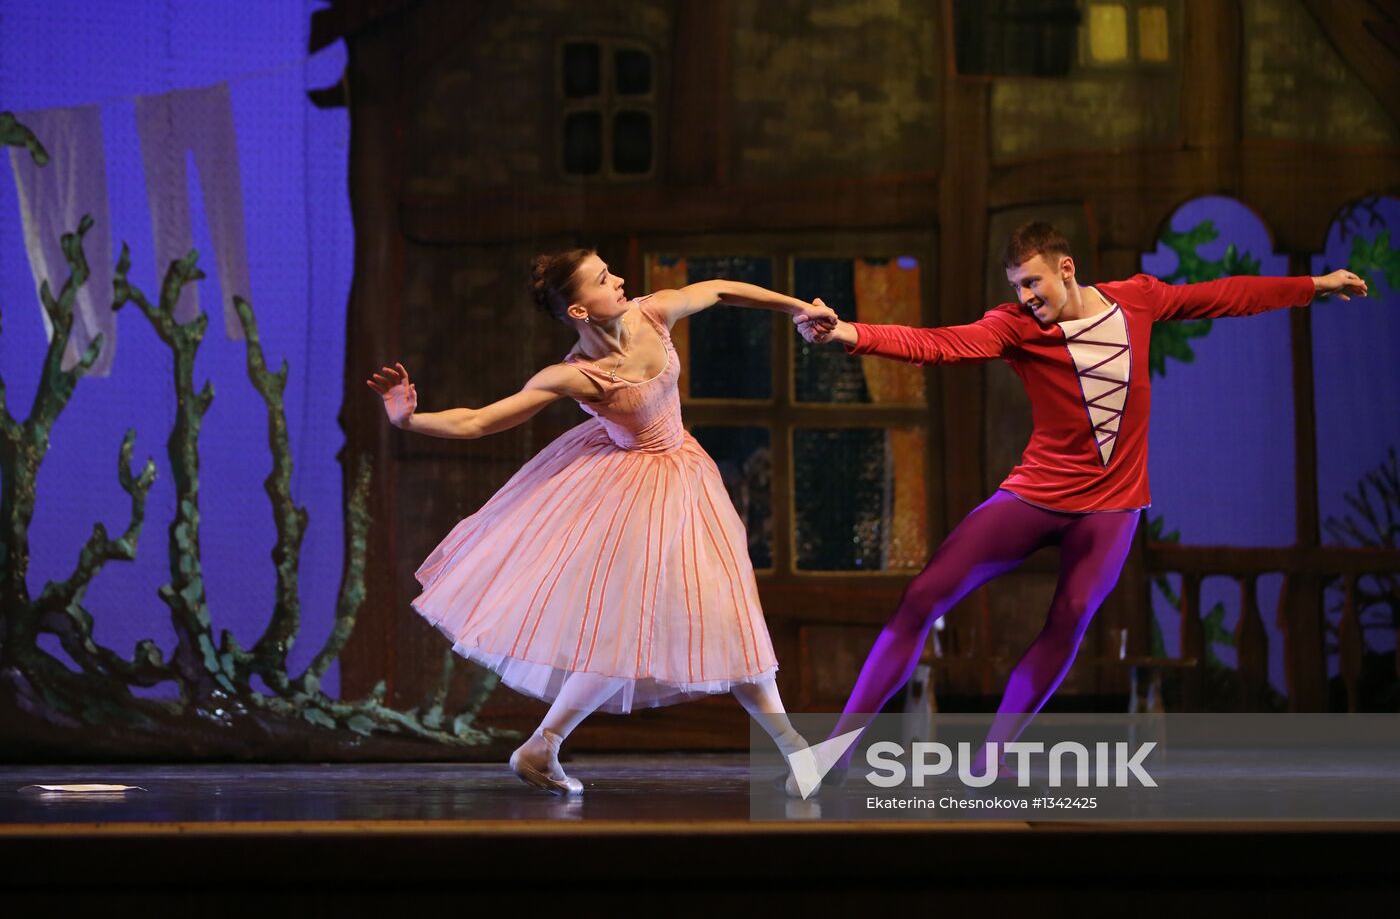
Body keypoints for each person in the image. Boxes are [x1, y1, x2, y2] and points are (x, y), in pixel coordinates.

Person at [795, 221, 1368, 781]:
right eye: (1017, 286)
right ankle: (838, 750)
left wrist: (1312, 286)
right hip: (1035, 494)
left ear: (1065, 269)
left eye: (1033, 282)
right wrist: (848, 332)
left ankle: (991, 757)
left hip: (1111, 510)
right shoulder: (1015, 326)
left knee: (1068, 619)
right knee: (922, 597)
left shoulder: (1136, 301)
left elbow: (1220, 295)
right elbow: (939, 345)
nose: (1025, 296)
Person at [368, 249, 838, 796]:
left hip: (685, 479)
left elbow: (719, 289)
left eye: (610, 271)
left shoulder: (652, 313)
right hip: (632, 496)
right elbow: (478, 421)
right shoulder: (575, 376)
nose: (618, 281)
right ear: (579, 312)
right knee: (629, 632)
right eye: (601, 280)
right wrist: (408, 419)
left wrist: (798, 308)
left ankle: (544, 746)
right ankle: (546, 746)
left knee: (721, 618)